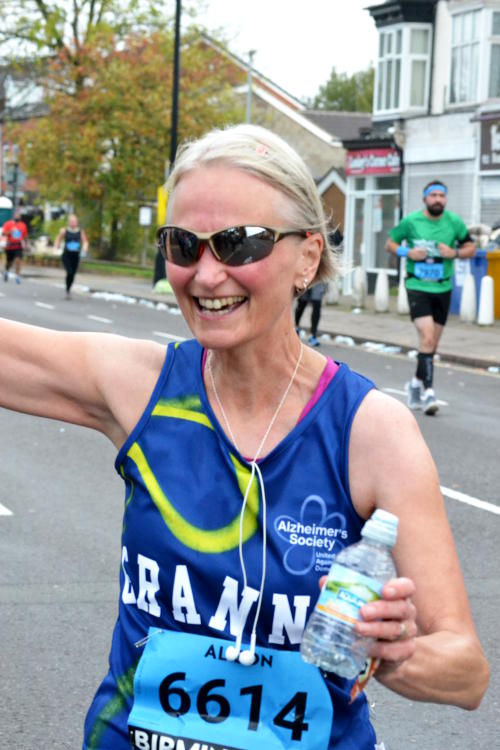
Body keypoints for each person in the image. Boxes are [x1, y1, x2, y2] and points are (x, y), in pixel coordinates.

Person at [0, 126, 489, 750]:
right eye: (184, 245)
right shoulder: (144, 386)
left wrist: (395, 654)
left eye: (239, 244)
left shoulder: (369, 429)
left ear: (307, 257)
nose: (206, 275)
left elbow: (467, 671)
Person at [386, 181, 476, 415]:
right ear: (424, 199)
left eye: (441, 196)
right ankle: (428, 393)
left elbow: (471, 249)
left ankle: (414, 384)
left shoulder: (454, 222)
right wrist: (408, 252)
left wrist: (454, 253)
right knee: (426, 336)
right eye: (433, 195)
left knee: (431, 344)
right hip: (417, 285)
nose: (438, 199)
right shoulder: (411, 221)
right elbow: (390, 243)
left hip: (443, 288)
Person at [54, 213, 89, 298]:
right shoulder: (65, 231)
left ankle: (68, 289)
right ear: (69, 222)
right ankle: (67, 290)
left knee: (73, 274)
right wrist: (56, 248)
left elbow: (85, 241)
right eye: (72, 221)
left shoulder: (80, 231)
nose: (73, 223)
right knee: (69, 272)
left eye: (75, 221)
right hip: (66, 255)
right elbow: (58, 239)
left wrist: (85, 248)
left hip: (75, 255)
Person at [295, 281, 326, 346]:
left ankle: (313, 335)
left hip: (318, 277)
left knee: (317, 305)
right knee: (301, 304)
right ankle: (297, 327)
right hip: (305, 277)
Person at [1, 208, 28, 284]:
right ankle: (6, 271)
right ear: (13, 215)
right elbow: (3, 234)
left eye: (19, 215)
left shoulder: (23, 225)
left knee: (18, 260)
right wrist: (10, 231)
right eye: (16, 214)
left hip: (18, 246)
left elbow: (25, 236)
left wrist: (26, 244)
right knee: (9, 262)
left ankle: (17, 276)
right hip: (9, 246)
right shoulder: (8, 224)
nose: (17, 216)